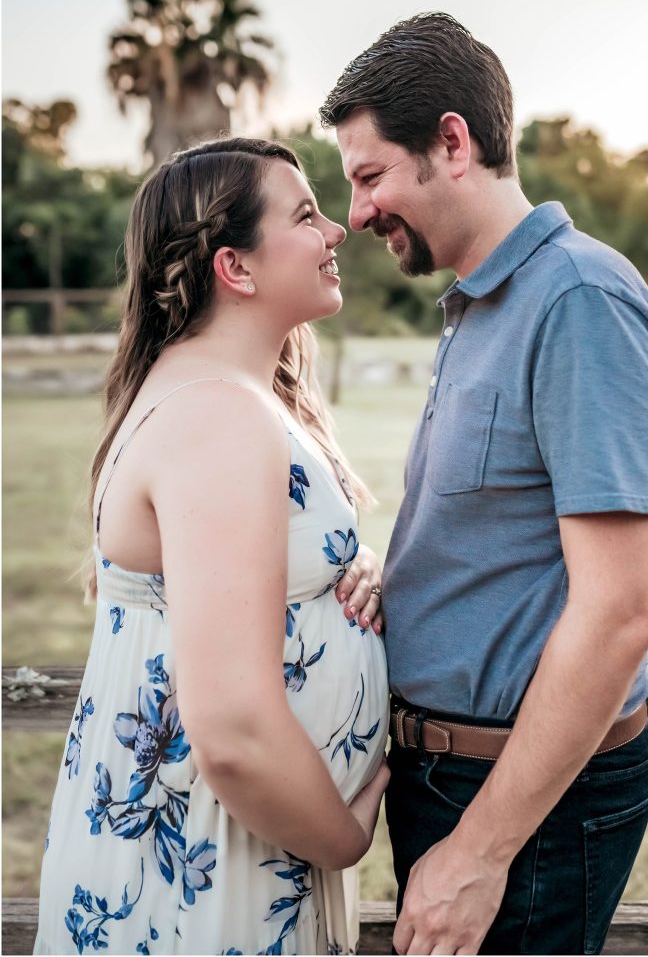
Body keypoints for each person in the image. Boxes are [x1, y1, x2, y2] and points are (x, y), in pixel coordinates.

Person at [320, 13, 648, 956]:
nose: (355, 213)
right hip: (447, 779)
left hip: (520, 803)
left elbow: (623, 611)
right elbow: (496, 533)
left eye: (368, 176)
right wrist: (393, 578)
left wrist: (480, 850)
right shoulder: (479, 306)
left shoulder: (578, 302)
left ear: (452, 141)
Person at [35, 137, 390, 956]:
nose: (336, 229)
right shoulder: (216, 416)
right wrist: (343, 838)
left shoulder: (223, 397)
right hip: (206, 865)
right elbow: (229, 727)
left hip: (222, 842)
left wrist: (351, 569)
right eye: (305, 214)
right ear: (237, 268)